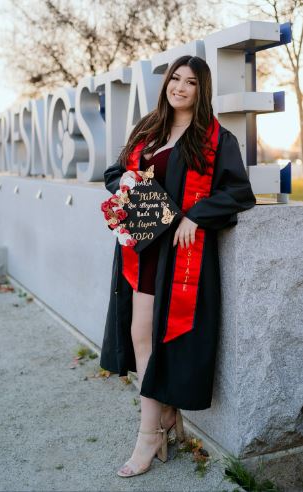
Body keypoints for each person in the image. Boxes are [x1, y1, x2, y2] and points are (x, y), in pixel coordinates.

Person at [100, 55, 256, 478]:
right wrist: (127, 182)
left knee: (149, 335)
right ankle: (164, 416)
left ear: (201, 90)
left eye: (190, 82)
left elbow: (239, 192)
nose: (180, 87)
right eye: (175, 79)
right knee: (140, 335)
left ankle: (149, 434)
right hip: (143, 248)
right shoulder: (148, 129)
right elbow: (114, 173)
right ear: (166, 83)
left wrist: (195, 215)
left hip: (181, 254)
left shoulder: (215, 138)